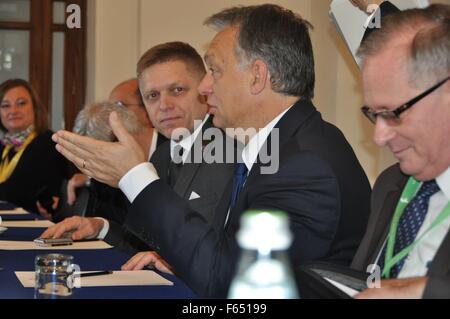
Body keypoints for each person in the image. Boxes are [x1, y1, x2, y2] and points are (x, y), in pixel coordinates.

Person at [45, 5, 371, 297]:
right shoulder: (280, 145)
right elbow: (220, 257)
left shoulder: (303, 165)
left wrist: (135, 176)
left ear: (257, 76)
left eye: (213, 70)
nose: (204, 87)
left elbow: (230, 283)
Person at [43, 42, 235, 260]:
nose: (164, 105)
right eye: (152, 95)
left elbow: (204, 249)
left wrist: (170, 260)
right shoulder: (161, 155)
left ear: (203, 89)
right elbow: (148, 241)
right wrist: (100, 227)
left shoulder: (228, 147)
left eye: (177, 90)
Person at [350, 4, 450, 299]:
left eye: (393, 113)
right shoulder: (389, 184)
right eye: (373, 114)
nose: (379, 136)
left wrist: (422, 292)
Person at [0, 79, 67, 213]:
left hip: (37, 225)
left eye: (21, 103)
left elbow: (21, 192)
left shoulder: (50, 143)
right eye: (5, 105)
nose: (13, 110)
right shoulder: (3, 146)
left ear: (35, 108)